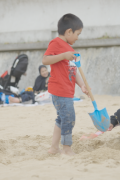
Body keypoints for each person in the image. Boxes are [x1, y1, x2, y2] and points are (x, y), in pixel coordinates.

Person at [42, 13, 89, 156]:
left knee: (62, 118)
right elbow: (45, 60)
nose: (77, 37)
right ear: (69, 31)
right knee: (69, 118)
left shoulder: (70, 50)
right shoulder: (56, 43)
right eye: (77, 34)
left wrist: (81, 85)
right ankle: (67, 149)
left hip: (67, 91)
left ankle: (54, 148)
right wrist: (63, 55)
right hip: (59, 90)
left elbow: (73, 71)